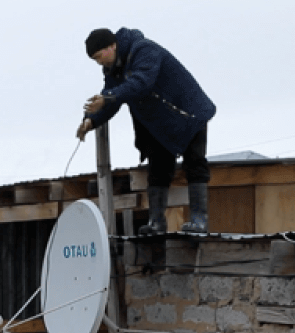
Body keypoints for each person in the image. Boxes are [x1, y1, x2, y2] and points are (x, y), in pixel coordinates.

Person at [77, 28, 216, 235]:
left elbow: (141, 82)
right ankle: (156, 223)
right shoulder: (113, 70)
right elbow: (112, 99)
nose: (99, 62)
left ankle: (199, 220)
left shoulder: (144, 50)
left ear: (111, 46)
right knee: (158, 169)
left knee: (194, 163)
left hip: (187, 114)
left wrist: (109, 97)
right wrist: (90, 121)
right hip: (158, 124)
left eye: (99, 57)